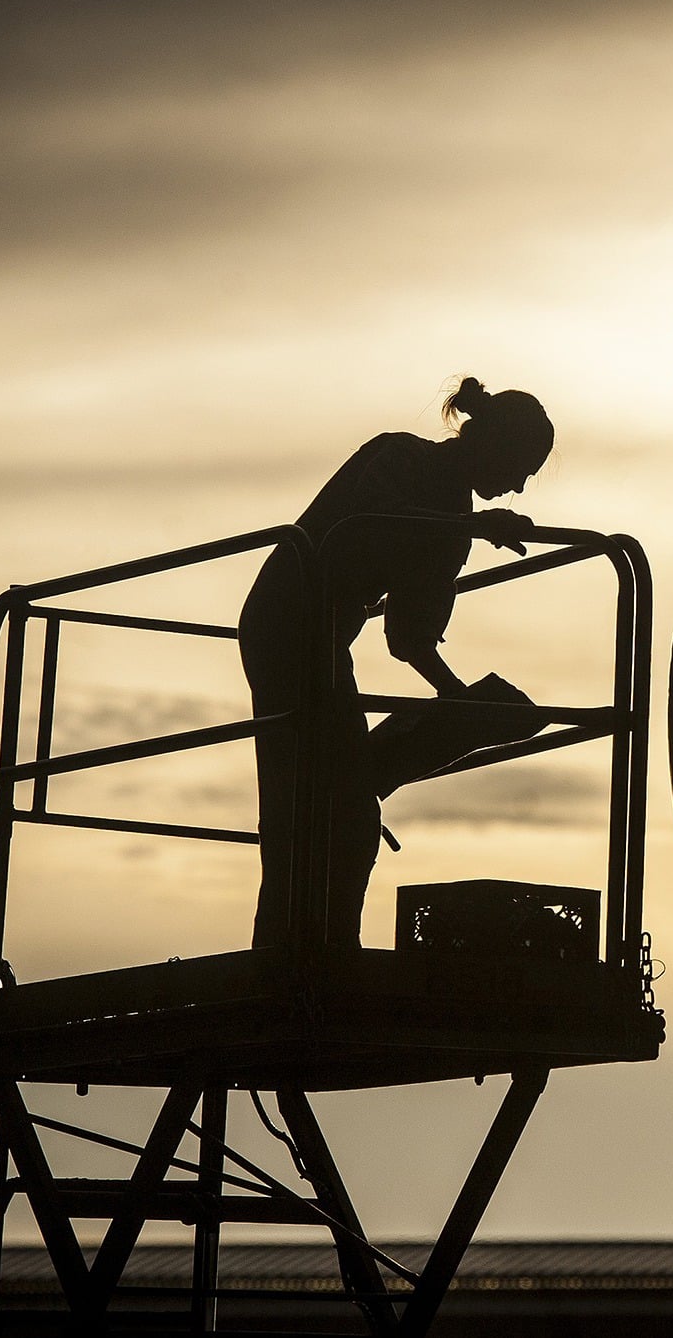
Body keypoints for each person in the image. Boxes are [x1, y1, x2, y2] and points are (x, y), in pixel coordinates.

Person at [238, 376, 551, 948]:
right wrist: (475, 527)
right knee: (320, 809)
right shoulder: (399, 455)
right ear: (489, 444)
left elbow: (407, 638)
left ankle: (312, 944)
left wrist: (459, 701)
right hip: (286, 625)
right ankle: (299, 953)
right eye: (522, 467)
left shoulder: (455, 529)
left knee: (338, 809)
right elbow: (372, 518)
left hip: (322, 644)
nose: (519, 488)